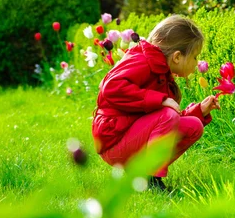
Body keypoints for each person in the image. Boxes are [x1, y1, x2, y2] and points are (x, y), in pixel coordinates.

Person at [92, 15, 220, 190]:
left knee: (194, 125)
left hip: (131, 133)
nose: (196, 63)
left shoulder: (161, 71)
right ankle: (150, 179)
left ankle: (142, 174)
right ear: (177, 57)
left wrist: (200, 110)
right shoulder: (142, 62)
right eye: (195, 57)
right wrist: (161, 100)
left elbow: (164, 124)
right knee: (167, 114)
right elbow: (111, 87)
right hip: (114, 140)